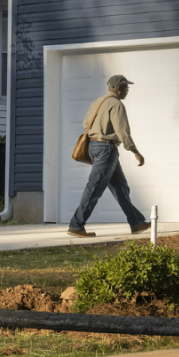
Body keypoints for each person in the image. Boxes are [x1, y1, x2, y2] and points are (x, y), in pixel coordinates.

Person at [67, 74, 151, 238]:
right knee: (94, 187)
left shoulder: (98, 102)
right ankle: (76, 225)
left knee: (120, 187)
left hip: (94, 145)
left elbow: (86, 123)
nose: (127, 91)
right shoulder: (116, 104)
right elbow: (122, 131)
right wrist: (136, 152)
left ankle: (136, 223)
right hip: (106, 148)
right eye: (126, 88)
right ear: (118, 88)